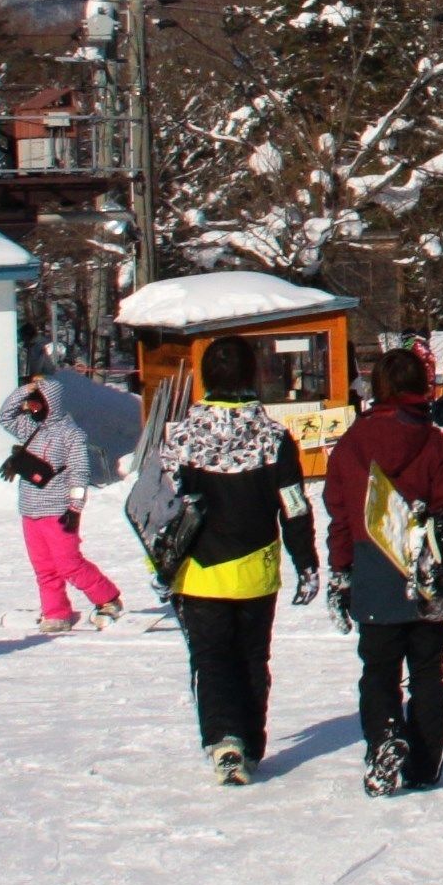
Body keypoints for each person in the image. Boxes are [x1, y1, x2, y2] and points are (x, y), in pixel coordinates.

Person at [156, 335, 321, 785]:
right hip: (256, 573)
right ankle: (250, 739)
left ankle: (224, 739)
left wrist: (159, 567)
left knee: (211, 660)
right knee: (252, 658)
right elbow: (294, 505)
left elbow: (161, 507)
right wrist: (306, 561)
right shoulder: (273, 437)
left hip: (200, 573)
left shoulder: (183, 437)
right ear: (253, 375)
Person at [320, 348, 443, 796]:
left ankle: (384, 739)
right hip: (425, 570)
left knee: (378, 671)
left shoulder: (353, 442)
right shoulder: (437, 443)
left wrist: (341, 569)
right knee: (427, 671)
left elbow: (341, 513)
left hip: (373, 567)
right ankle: (424, 761)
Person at [0, 373, 123, 633]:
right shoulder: (30, 428)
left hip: (58, 511)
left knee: (69, 564)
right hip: (30, 510)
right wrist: (28, 389)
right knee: (44, 567)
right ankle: (56, 612)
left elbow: (80, 473)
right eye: (29, 403)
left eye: (36, 402)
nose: (30, 408)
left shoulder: (71, 434)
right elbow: (5, 416)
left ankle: (108, 599)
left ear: (50, 403)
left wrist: (75, 509)